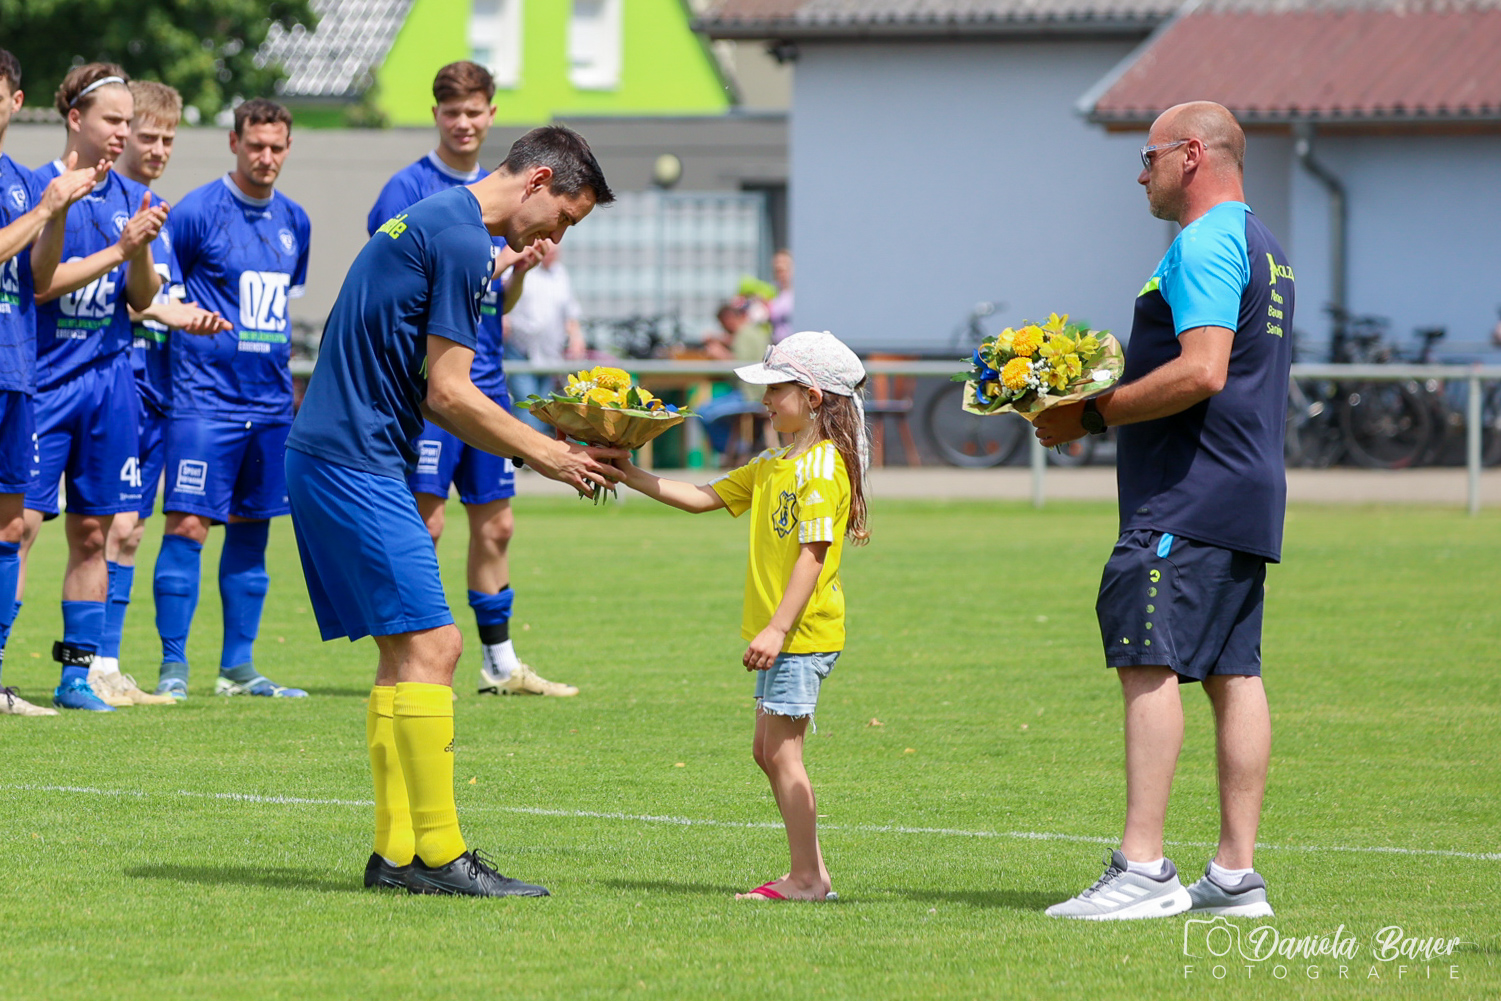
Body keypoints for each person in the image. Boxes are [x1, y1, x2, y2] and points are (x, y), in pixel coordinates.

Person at [286, 125, 621, 896]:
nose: (557, 236)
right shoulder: (463, 239)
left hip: (335, 453)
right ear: (538, 181)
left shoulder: (443, 223)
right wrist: (550, 453)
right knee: (437, 645)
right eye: (564, 217)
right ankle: (440, 855)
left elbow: (423, 370)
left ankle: (395, 853)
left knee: (402, 655)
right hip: (353, 460)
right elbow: (450, 392)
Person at [1035, 101, 1291, 920]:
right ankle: (1234, 877)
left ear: (1191, 154)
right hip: (1244, 488)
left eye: (1147, 157)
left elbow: (1202, 369)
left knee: (1147, 660)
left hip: (1187, 493)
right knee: (1232, 671)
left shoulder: (1206, 240)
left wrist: (1088, 413)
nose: (1139, 174)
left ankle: (1142, 868)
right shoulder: (1263, 244)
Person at [613, 331, 870, 902]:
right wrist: (624, 471)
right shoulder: (774, 463)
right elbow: (702, 497)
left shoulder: (821, 468)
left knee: (781, 753)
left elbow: (813, 555)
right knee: (767, 751)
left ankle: (807, 879)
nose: (765, 400)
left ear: (813, 397)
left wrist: (777, 628)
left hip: (801, 634)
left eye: (776, 390)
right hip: (785, 635)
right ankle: (813, 874)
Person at [367, 61, 575, 699]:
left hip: (487, 377)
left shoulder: (506, 193)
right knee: (425, 523)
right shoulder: (409, 189)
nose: (463, 122)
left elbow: (493, 305)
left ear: (491, 115)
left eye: (474, 111)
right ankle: (421, 649)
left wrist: (515, 273)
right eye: (452, 111)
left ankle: (499, 663)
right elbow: (398, 283)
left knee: (498, 525)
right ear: (436, 115)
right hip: (435, 386)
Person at [19, 64, 169, 713]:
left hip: (110, 384)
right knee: (19, 525)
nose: (123, 133)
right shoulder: (36, 187)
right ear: (75, 118)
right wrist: (119, 247)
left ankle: (76, 677)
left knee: (93, 533)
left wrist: (140, 246)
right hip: (45, 382)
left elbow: (142, 298)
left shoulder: (131, 194)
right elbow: (41, 283)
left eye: (128, 122)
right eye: (113, 119)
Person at [149, 98, 311, 701]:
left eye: (276, 147)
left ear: (288, 148)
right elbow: (164, 296)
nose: (266, 157)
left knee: (252, 530)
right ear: (234, 143)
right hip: (202, 400)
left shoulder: (297, 221)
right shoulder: (196, 212)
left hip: (269, 406)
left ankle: (238, 669)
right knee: (188, 524)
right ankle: (173, 668)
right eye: (255, 145)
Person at [94, 80, 231, 707]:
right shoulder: (107, 206)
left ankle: (107, 664)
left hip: (156, 391)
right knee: (108, 525)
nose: (156, 148)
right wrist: (168, 312)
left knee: (131, 530)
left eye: (167, 139)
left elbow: (156, 295)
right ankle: (91, 663)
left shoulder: (161, 213)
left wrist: (182, 314)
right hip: (113, 382)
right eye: (146, 136)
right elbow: (119, 296)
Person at [0, 50, 110, 715]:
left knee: (13, 528)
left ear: (16, 102)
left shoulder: (18, 179)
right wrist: (49, 205)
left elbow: (39, 279)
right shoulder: (31, 190)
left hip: (18, 372)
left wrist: (59, 210)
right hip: (22, 376)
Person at [504, 240, 585, 431]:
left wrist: (576, 338)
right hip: (520, 348)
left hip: (549, 352)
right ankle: (529, 448)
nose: (551, 255)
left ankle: (536, 445)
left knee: (544, 407)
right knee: (527, 405)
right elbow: (504, 298)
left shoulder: (560, 274)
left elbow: (571, 312)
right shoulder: (523, 268)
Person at [767, 249, 794, 345]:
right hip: (778, 344)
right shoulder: (772, 292)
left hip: (794, 344)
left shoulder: (798, 294)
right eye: (776, 271)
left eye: (783, 270)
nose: (780, 274)